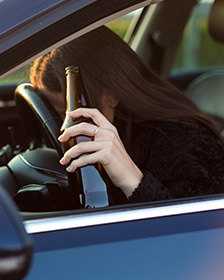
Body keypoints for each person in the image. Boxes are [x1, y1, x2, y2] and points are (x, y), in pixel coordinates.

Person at [29, 26, 224, 204]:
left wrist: (132, 179)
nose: (67, 123)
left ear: (111, 94)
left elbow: (200, 232)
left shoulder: (182, 140)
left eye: (69, 109)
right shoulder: (125, 127)